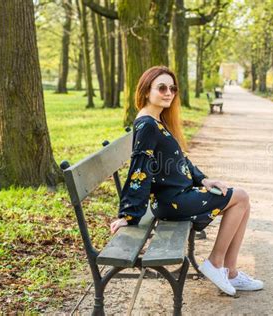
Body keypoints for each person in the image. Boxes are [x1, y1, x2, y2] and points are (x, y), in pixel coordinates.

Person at [109, 66, 263, 296]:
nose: (168, 92)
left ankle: (230, 272)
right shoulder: (148, 126)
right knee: (240, 197)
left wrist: (204, 180)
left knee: (243, 202)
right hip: (172, 202)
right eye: (161, 88)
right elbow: (139, 171)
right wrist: (128, 215)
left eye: (172, 88)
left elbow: (181, 160)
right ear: (146, 90)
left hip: (176, 197)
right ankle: (215, 263)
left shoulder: (157, 120)